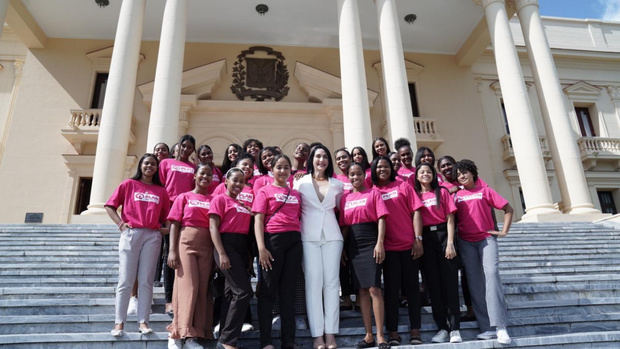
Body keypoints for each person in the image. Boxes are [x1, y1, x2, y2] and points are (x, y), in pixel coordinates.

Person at [105, 153, 170, 337]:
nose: (149, 166)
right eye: (146, 163)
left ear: (157, 168)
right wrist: (120, 224)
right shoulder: (128, 185)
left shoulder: (161, 191)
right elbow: (110, 205)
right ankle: (119, 323)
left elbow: (167, 216)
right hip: (131, 233)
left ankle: (143, 321)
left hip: (152, 235)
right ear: (140, 165)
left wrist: (165, 229)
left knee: (146, 281)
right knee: (125, 280)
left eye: (153, 164)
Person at [453, 159, 513, 345]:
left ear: (473, 173)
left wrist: (503, 232)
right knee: (475, 284)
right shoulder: (456, 196)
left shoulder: (484, 191)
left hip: (486, 240)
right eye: (458, 174)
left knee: (492, 276)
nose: (462, 176)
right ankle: (486, 328)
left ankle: (500, 326)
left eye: (465, 172)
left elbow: (508, 208)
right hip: (466, 242)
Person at [293, 145, 344, 349]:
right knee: (313, 285)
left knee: (332, 285)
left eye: (324, 156)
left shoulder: (337, 184)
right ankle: (317, 336)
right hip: (308, 236)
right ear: (310, 160)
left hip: (332, 236)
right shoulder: (300, 183)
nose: (321, 160)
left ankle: (331, 334)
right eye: (317, 156)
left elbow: (341, 211)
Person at [371, 156, 423, 346]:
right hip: (388, 249)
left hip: (409, 245)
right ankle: (393, 332)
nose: (382, 170)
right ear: (374, 170)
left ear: (391, 169)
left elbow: (416, 211)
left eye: (385, 166)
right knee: (391, 291)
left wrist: (418, 239)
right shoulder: (373, 190)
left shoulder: (403, 186)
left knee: (412, 290)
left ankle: (415, 330)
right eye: (378, 167)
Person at [252, 154, 303, 349]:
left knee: (288, 292)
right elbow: (258, 220)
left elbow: (298, 217)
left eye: (286, 167)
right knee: (267, 292)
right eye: (279, 167)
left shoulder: (296, 194)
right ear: (271, 170)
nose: (282, 171)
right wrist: (261, 248)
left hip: (294, 242)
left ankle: (288, 341)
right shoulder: (264, 191)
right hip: (272, 241)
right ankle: (266, 342)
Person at [340, 163, 389, 349]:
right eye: (351, 174)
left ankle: (380, 336)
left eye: (358, 173)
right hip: (353, 245)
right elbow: (344, 225)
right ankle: (368, 335)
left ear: (364, 175)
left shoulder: (374, 193)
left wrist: (380, 242)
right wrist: (343, 248)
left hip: (371, 241)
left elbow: (382, 219)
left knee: (374, 289)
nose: (355, 177)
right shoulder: (345, 198)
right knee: (361, 290)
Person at [166, 163, 215, 349]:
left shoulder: (214, 198)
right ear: (194, 176)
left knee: (202, 289)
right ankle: (180, 331)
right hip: (186, 244)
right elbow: (174, 225)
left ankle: (198, 331)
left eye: (209, 175)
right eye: (202, 173)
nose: (206, 177)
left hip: (207, 246)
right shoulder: (184, 197)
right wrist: (171, 250)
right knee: (189, 287)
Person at [414, 163, 462, 343]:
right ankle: (442, 327)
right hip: (425, 239)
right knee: (432, 285)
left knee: (449, 283)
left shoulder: (441, 192)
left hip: (443, 236)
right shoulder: (416, 195)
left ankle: (455, 328)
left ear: (434, 175)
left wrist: (450, 243)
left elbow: (450, 218)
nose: (425, 174)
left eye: (428, 172)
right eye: (422, 172)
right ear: (417, 176)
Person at [209, 168, 253, 349]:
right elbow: (213, 227)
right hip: (226, 246)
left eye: (241, 181)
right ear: (225, 181)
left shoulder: (242, 204)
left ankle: (223, 338)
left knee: (231, 294)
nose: (238, 184)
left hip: (242, 248)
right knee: (243, 292)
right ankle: (228, 340)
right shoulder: (219, 199)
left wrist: (248, 256)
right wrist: (221, 253)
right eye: (235, 180)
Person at [159, 134, 197, 315]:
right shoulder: (166, 163)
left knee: (183, 253)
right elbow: (160, 187)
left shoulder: (193, 167)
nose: (186, 149)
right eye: (184, 146)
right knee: (169, 251)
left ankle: (180, 295)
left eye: (190, 147)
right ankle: (168, 300)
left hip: (187, 211)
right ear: (178, 146)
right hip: (169, 209)